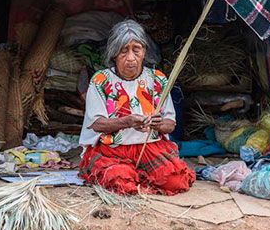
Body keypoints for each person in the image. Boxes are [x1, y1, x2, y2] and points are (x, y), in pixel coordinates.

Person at [78, 19, 195, 195]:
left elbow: (170, 124)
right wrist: (127, 121)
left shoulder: (157, 79)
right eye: (124, 51)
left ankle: (140, 175)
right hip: (112, 151)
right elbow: (97, 124)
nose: (131, 58)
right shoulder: (100, 81)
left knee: (174, 182)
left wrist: (158, 124)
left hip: (150, 148)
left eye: (136, 50)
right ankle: (132, 176)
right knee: (121, 183)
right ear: (113, 54)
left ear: (144, 52)